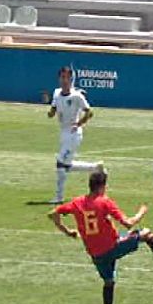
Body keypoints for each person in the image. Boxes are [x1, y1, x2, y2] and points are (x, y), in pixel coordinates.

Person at [48, 171, 153, 304]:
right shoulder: (104, 202)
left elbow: (52, 214)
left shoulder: (76, 202)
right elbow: (128, 223)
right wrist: (142, 211)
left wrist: (68, 231)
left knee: (109, 281)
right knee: (146, 233)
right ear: (102, 186)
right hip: (112, 246)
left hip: (95, 254)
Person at [48, 66, 103, 204]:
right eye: (62, 77)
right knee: (66, 165)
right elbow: (53, 110)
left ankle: (58, 197)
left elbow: (89, 112)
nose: (64, 80)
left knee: (60, 163)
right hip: (63, 133)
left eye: (67, 77)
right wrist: (50, 113)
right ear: (59, 78)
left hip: (74, 134)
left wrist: (78, 124)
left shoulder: (77, 96)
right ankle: (94, 168)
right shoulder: (56, 93)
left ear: (71, 79)